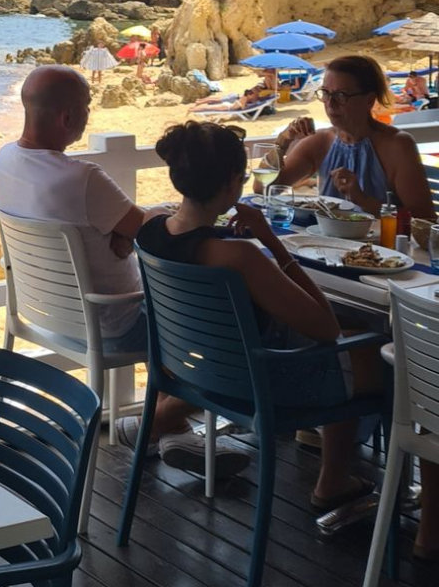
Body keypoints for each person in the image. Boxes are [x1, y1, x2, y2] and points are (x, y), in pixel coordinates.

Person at [0, 66, 249, 477]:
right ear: (67, 118)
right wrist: (136, 226)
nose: (90, 112)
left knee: (167, 310)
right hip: (114, 321)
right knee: (214, 326)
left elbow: (131, 228)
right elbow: (156, 232)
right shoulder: (82, 178)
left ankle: (172, 431)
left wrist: (123, 231)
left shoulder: (5, 159)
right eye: (87, 105)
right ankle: (157, 424)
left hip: (47, 314)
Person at [139, 120, 386, 511]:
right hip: (262, 386)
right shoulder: (238, 256)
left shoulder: (150, 231)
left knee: (354, 335)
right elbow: (326, 328)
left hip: (199, 375)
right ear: (230, 182)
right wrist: (272, 242)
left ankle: (334, 473)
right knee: (381, 353)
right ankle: (339, 481)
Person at [266, 55, 434, 220]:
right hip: (326, 237)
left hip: (384, 239)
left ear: (369, 100)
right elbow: (264, 189)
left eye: (341, 95)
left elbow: (424, 218)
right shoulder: (320, 142)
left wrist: (362, 200)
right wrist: (283, 141)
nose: (330, 103)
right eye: (326, 93)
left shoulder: (397, 145)